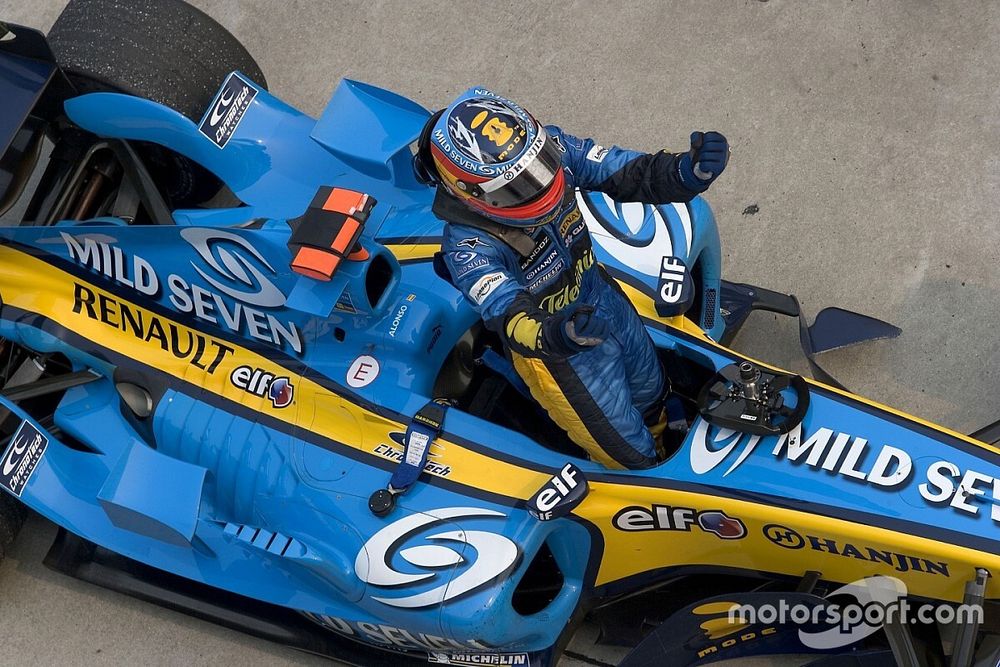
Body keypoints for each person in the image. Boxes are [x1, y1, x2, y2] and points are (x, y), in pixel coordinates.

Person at [415, 86, 728, 469]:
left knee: (654, 390)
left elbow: (621, 171)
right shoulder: (468, 248)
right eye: (519, 186)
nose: (541, 182)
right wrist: (558, 335)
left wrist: (685, 171)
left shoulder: (554, 149)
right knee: (631, 456)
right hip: (559, 354)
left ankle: (668, 437)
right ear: (471, 194)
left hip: (601, 296)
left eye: (538, 166)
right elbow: (509, 316)